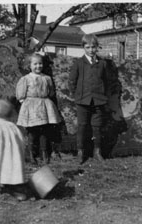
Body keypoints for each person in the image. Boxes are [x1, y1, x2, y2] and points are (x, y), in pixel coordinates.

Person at [69, 33, 111, 164]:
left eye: (93, 47)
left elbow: (107, 81)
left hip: (98, 100)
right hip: (82, 100)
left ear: (97, 47)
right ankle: (81, 152)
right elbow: (72, 82)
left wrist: (104, 95)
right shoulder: (79, 63)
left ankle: (97, 152)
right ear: (83, 47)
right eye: (88, 47)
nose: (91, 50)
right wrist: (77, 95)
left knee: (97, 127)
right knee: (82, 126)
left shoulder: (103, 64)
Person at [16, 53, 62, 164]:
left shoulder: (47, 78)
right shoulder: (26, 79)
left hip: (45, 106)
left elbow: (51, 92)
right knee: (32, 132)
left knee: (44, 132)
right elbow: (20, 95)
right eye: (35, 64)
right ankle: (32, 154)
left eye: (40, 63)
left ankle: (44, 153)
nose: (38, 66)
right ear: (29, 66)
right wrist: (26, 104)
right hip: (31, 107)